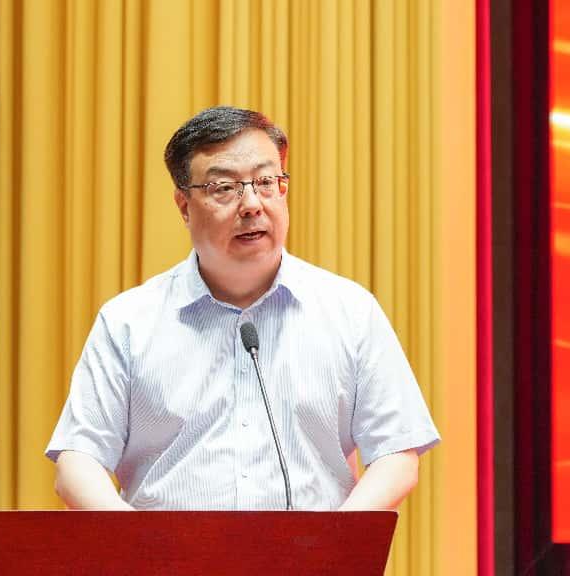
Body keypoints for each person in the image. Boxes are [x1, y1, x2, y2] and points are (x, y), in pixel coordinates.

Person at [46, 106, 439, 511]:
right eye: (224, 188)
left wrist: (336, 538)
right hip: (167, 550)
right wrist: (139, 542)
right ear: (184, 206)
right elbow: (78, 461)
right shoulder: (128, 321)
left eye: (266, 182)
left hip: (312, 550)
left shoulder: (350, 311)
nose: (252, 204)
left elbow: (397, 453)